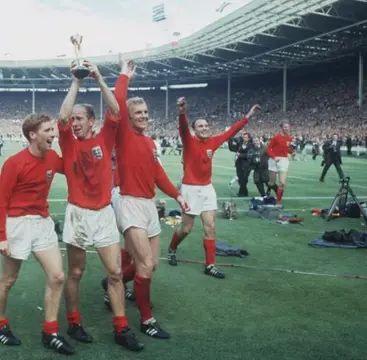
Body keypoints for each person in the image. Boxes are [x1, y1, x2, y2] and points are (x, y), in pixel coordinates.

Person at [57, 59, 142, 351]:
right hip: (77, 214)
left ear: (93, 121)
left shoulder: (105, 139)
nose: (76, 122)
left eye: (82, 118)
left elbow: (117, 111)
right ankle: (74, 322)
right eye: (75, 119)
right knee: (76, 273)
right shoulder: (68, 141)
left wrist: (98, 77)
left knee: (116, 273)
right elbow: (62, 117)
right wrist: (77, 82)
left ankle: (121, 328)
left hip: (103, 213)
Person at [108, 66, 189, 340]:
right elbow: (117, 102)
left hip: (148, 205)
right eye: (138, 113)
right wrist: (124, 78)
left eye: (145, 112)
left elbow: (158, 175)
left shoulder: (151, 143)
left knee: (152, 264)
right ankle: (146, 320)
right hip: (128, 202)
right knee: (143, 263)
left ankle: (113, 281)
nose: (143, 116)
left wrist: (178, 195)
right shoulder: (124, 136)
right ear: (128, 116)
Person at [0, 114, 74, 355]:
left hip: (42, 222)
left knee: (57, 276)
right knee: (8, 280)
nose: (52, 134)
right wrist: (0, 236)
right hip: (17, 224)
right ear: (32, 134)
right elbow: (0, 201)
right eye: (48, 130)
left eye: (53, 130)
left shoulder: (52, 157)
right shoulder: (15, 163)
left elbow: (72, 166)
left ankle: (51, 332)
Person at [167, 98, 259, 279]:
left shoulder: (213, 142)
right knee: (186, 229)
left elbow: (232, 131)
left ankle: (210, 266)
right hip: (190, 189)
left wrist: (248, 116)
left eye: (206, 125)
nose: (204, 128)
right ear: (194, 130)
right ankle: (172, 248)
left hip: (207, 189)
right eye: (200, 126)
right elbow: (183, 128)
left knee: (210, 227)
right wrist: (182, 112)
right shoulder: (188, 140)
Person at [266, 122, 294, 205]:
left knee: (282, 183)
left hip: (283, 160)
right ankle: (268, 190)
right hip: (273, 160)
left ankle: (278, 201)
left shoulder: (290, 138)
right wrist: (274, 157)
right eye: (285, 127)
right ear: (281, 128)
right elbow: (268, 149)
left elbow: (287, 149)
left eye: (288, 127)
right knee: (272, 182)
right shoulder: (276, 137)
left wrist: (292, 152)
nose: (287, 128)